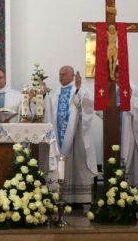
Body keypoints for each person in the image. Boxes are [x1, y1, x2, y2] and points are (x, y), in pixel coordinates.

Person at [43, 65, 96, 204]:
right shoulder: (56, 92)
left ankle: (77, 199)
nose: (61, 77)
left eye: (64, 74)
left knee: (76, 163)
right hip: (58, 136)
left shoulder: (80, 89)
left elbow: (87, 105)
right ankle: (59, 196)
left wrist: (78, 90)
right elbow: (49, 111)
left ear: (72, 76)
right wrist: (44, 95)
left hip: (75, 135)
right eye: (60, 74)